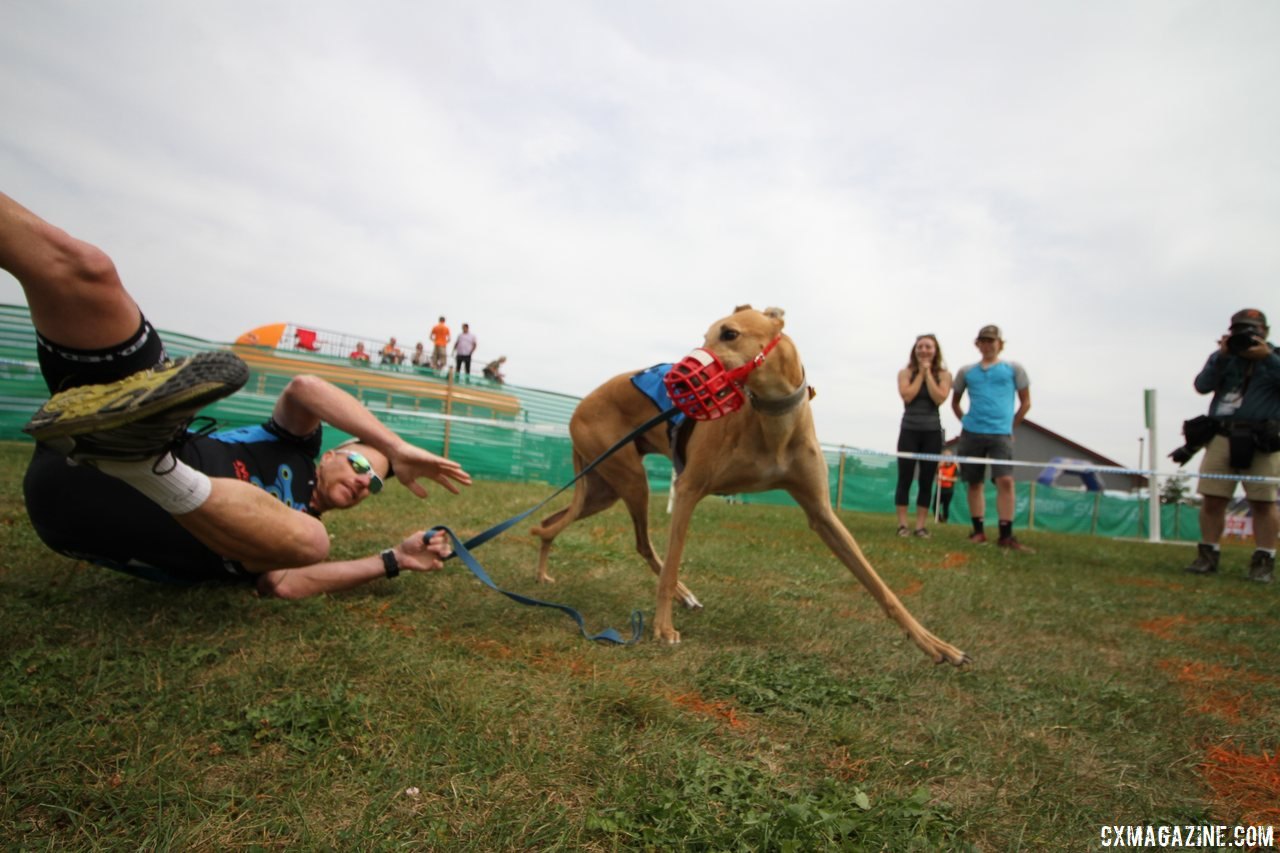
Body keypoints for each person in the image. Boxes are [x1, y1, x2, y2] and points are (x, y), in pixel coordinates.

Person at [1, 192, 472, 598]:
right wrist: (394, 447)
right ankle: (127, 450)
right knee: (85, 269)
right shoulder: (295, 447)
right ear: (335, 452)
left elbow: (283, 585)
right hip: (74, 451)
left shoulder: (294, 536)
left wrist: (397, 559)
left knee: (312, 540)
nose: (365, 483)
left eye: (375, 484)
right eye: (364, 466)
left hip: (84, 513)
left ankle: (143, 465)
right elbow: (305, 389)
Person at [1181, 308, 1280, 583]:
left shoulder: (1276, 358)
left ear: (1266, 332)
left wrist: (1268, 359)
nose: (1246, 336)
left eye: (1253, 330)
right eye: (1240, 330)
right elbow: (1201, 386)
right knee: (1212, 498)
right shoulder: (1223, 357)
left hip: (1262, 439)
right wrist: (1221, 358)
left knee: (1263, 501)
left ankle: (1264, 560)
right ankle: (1207, 555)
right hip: (1222, 435)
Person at [950, 324, 1033, 552]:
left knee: (1005, 480)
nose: (987, 345)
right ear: (977, 344)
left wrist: (1011, 426)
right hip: (972, 433)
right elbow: (954, 401)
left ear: (1000, 344)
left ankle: (1006, 535)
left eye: (991, 341)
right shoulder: (967, 372)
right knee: (974, 482)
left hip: (1001, 434)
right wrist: (965, 421)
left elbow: (1026, 402)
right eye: (983, 341)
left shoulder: (1013, 369)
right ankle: (978, 531)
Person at [894, 334, 952, 537]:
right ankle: (902, 525)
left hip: (932, 432)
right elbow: (907, 395)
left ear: (935, 350)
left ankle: (920, 526)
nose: (924, 350)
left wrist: (928, 374)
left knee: (927, 480)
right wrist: (919, 373)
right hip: (909, 429)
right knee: (905, 478)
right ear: (915, 349)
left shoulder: (944, 375)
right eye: (920, 346)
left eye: (928, 346)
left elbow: (940, 398)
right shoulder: (905, 372)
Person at [933, 449, 958, 523]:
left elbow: (955, 479)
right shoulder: (940, 466)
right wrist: (938, 466)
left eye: (949, 456)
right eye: (945, 456)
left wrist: (946, 478)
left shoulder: (954, 466)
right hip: (940, 488)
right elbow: (936, 473)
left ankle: (945, 519)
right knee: (935, 505)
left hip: (949, 490)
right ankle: (938, 519)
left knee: (945, 506)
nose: (947, 458)